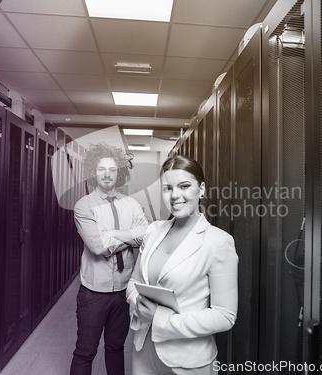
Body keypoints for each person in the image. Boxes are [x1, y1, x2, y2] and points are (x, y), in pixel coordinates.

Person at [126, 155, 238, 374]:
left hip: (188, 361)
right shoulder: (153, 230)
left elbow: (225, 316)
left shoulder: (218, 241)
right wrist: (137, 301)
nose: (175, 195)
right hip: (143, 351)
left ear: (201, 189)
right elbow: (133, 281)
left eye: (184, 186)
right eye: (168, 188)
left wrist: (159, 317)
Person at [70, 143, 149, 375]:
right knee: (86, 351)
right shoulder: (84, 206)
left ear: (119, 172)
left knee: (116, 347)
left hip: (125, 290)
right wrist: (130, 237)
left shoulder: (131, 204)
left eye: (112, 169)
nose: (107, 174)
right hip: (94, 292)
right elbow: (97, 247)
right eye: (102, 169)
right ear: (94, 172)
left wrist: (112, 235)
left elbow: (146, 237)